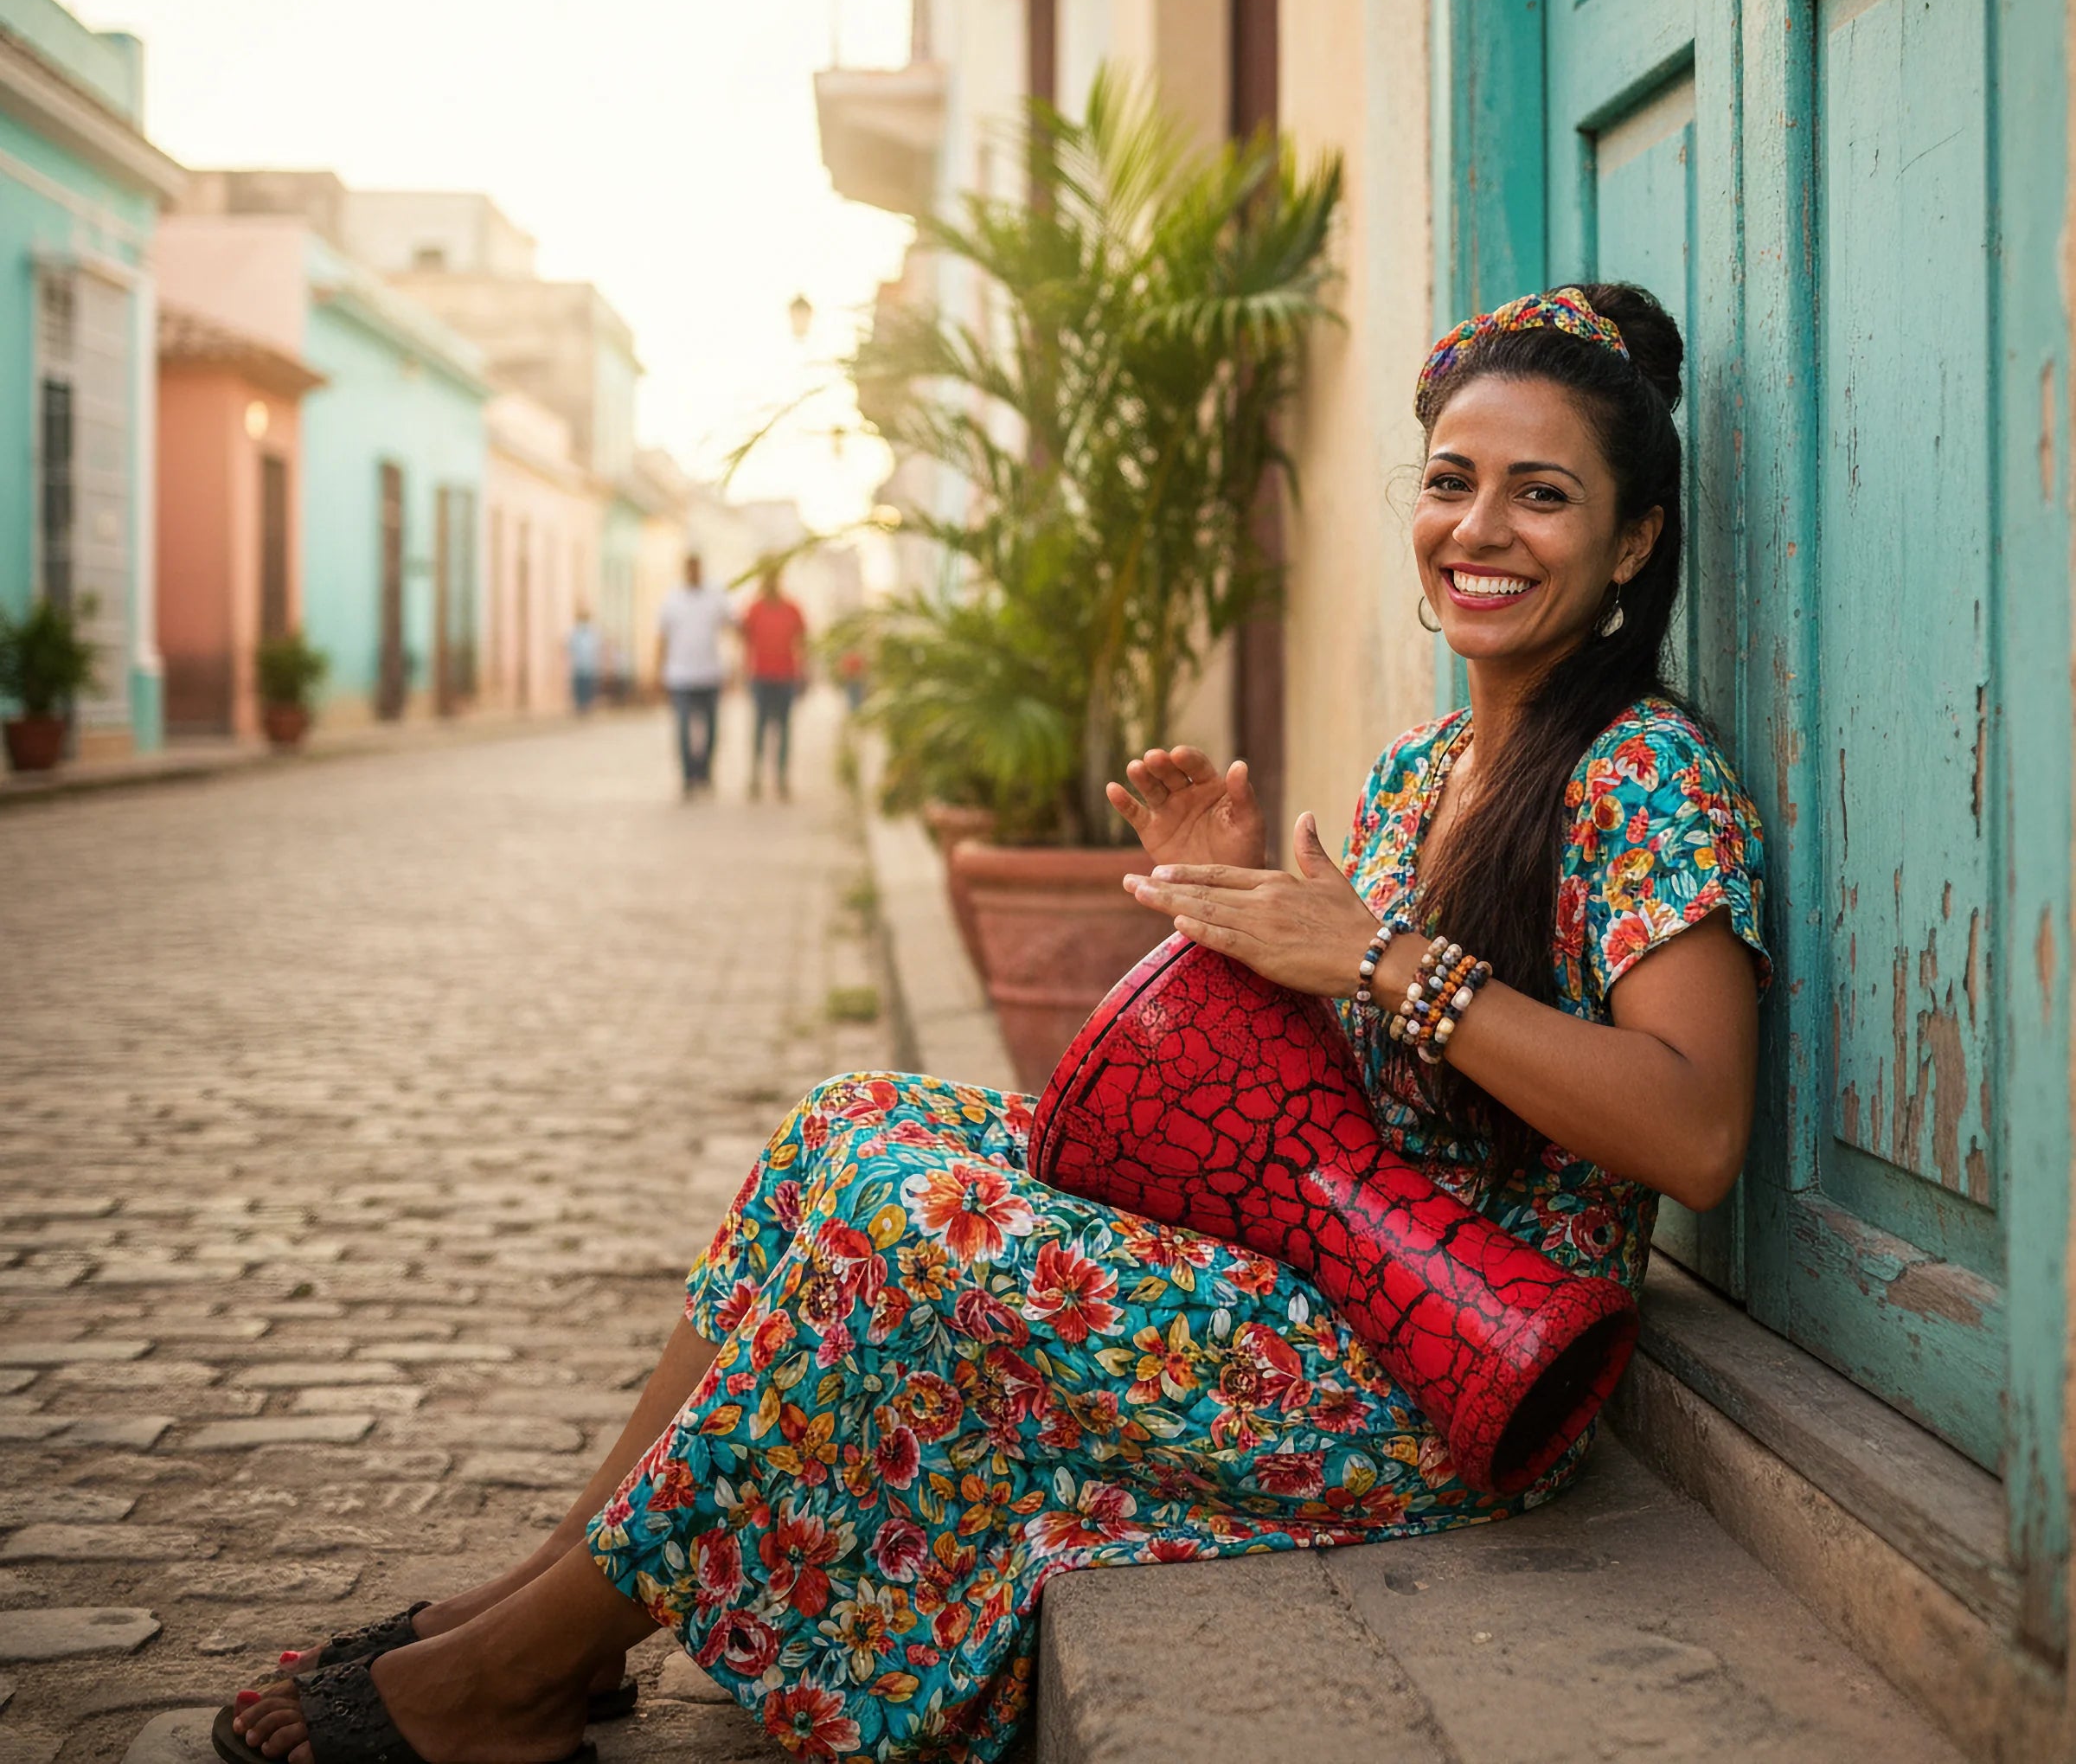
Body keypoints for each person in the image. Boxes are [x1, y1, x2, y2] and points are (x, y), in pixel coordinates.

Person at [222, 283, 1766, 1764]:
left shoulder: (1642, 778)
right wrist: (1235, 914)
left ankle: (510, 1673)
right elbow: (1353, 1093)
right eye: (1450, 481)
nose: (1479, 530)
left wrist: (1377, 957)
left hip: (1455, 1360)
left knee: (920, 1223)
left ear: (1633, 538)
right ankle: (562, 1602)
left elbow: (1693, 1130)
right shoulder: (1422, 771)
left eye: (1541, 496)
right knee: (848, 1129)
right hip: (1329, 1270)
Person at [655, 554, 733, 795]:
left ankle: (704, 772)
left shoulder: (715, 596)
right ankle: (688, 776)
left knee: (711, 730)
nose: (694, 573)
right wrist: (659, 669)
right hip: (680, 675)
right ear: (685, 571)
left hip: (710, 674)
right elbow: (662, 636)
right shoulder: (672, 599)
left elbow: (732, 624)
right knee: (683, 730)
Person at [739, 566, 808, 800]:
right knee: (759, 728)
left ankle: (781, 778)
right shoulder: (754, 609)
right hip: (760, 676)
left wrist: (804, 671)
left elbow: (803, 640)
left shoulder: (792, 608)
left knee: (784, 729)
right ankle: (756, 777)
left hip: (786, 676)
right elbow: (744, 639)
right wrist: (744, 670)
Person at [566, 609, 599, 715]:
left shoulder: (592, 632)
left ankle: (586, 705)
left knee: (587, 686)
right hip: (579, 664)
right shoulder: (575, 632)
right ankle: (580, 705)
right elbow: (571, 646)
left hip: (589, 664)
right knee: (579, 686)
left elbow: (596, 647)